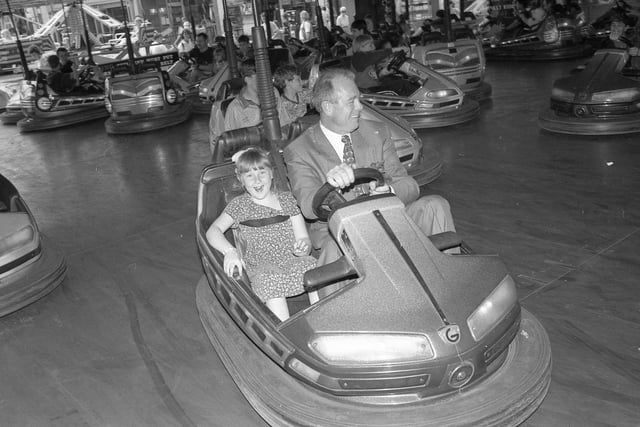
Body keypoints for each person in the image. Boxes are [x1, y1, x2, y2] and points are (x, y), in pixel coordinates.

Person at [283, 68, 455, 295]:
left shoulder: (377, 132)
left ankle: (449, 286)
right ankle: (345, 317)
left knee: (435, 205)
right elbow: (307, 206)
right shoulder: (300, 150)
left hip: (389, 218)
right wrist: (331, 183)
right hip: (342, 233)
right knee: (334, 250)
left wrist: (389, 190)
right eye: (352, 102)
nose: (360, 108)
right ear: (327, 107)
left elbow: (409, 185)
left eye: (359, 100)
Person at [205, 147, 317, 321]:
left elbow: (303, 236)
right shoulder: (239, 205)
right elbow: (213, 231)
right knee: (269, 280)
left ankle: (322, 318)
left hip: (293, 259)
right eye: (249, 175)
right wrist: (230, 252)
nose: (257, 180)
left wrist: (303, 246)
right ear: (240, 179)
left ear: (271, 174)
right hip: (262, 266)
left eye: (261, 173)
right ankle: (283, 329)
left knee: (313, 269)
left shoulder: (287, 199)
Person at [350, 34, 416, 96]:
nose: (374, 47)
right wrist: (396, 49)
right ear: (361, 47)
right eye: (370, 45)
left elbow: (372, 76)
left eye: (373, 44)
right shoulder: (357, 57)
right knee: (403, 85)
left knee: (402, 81)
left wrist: (382, 73)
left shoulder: (366, 60)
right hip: (367, 92)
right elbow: (375, 55)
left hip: (374, 88)